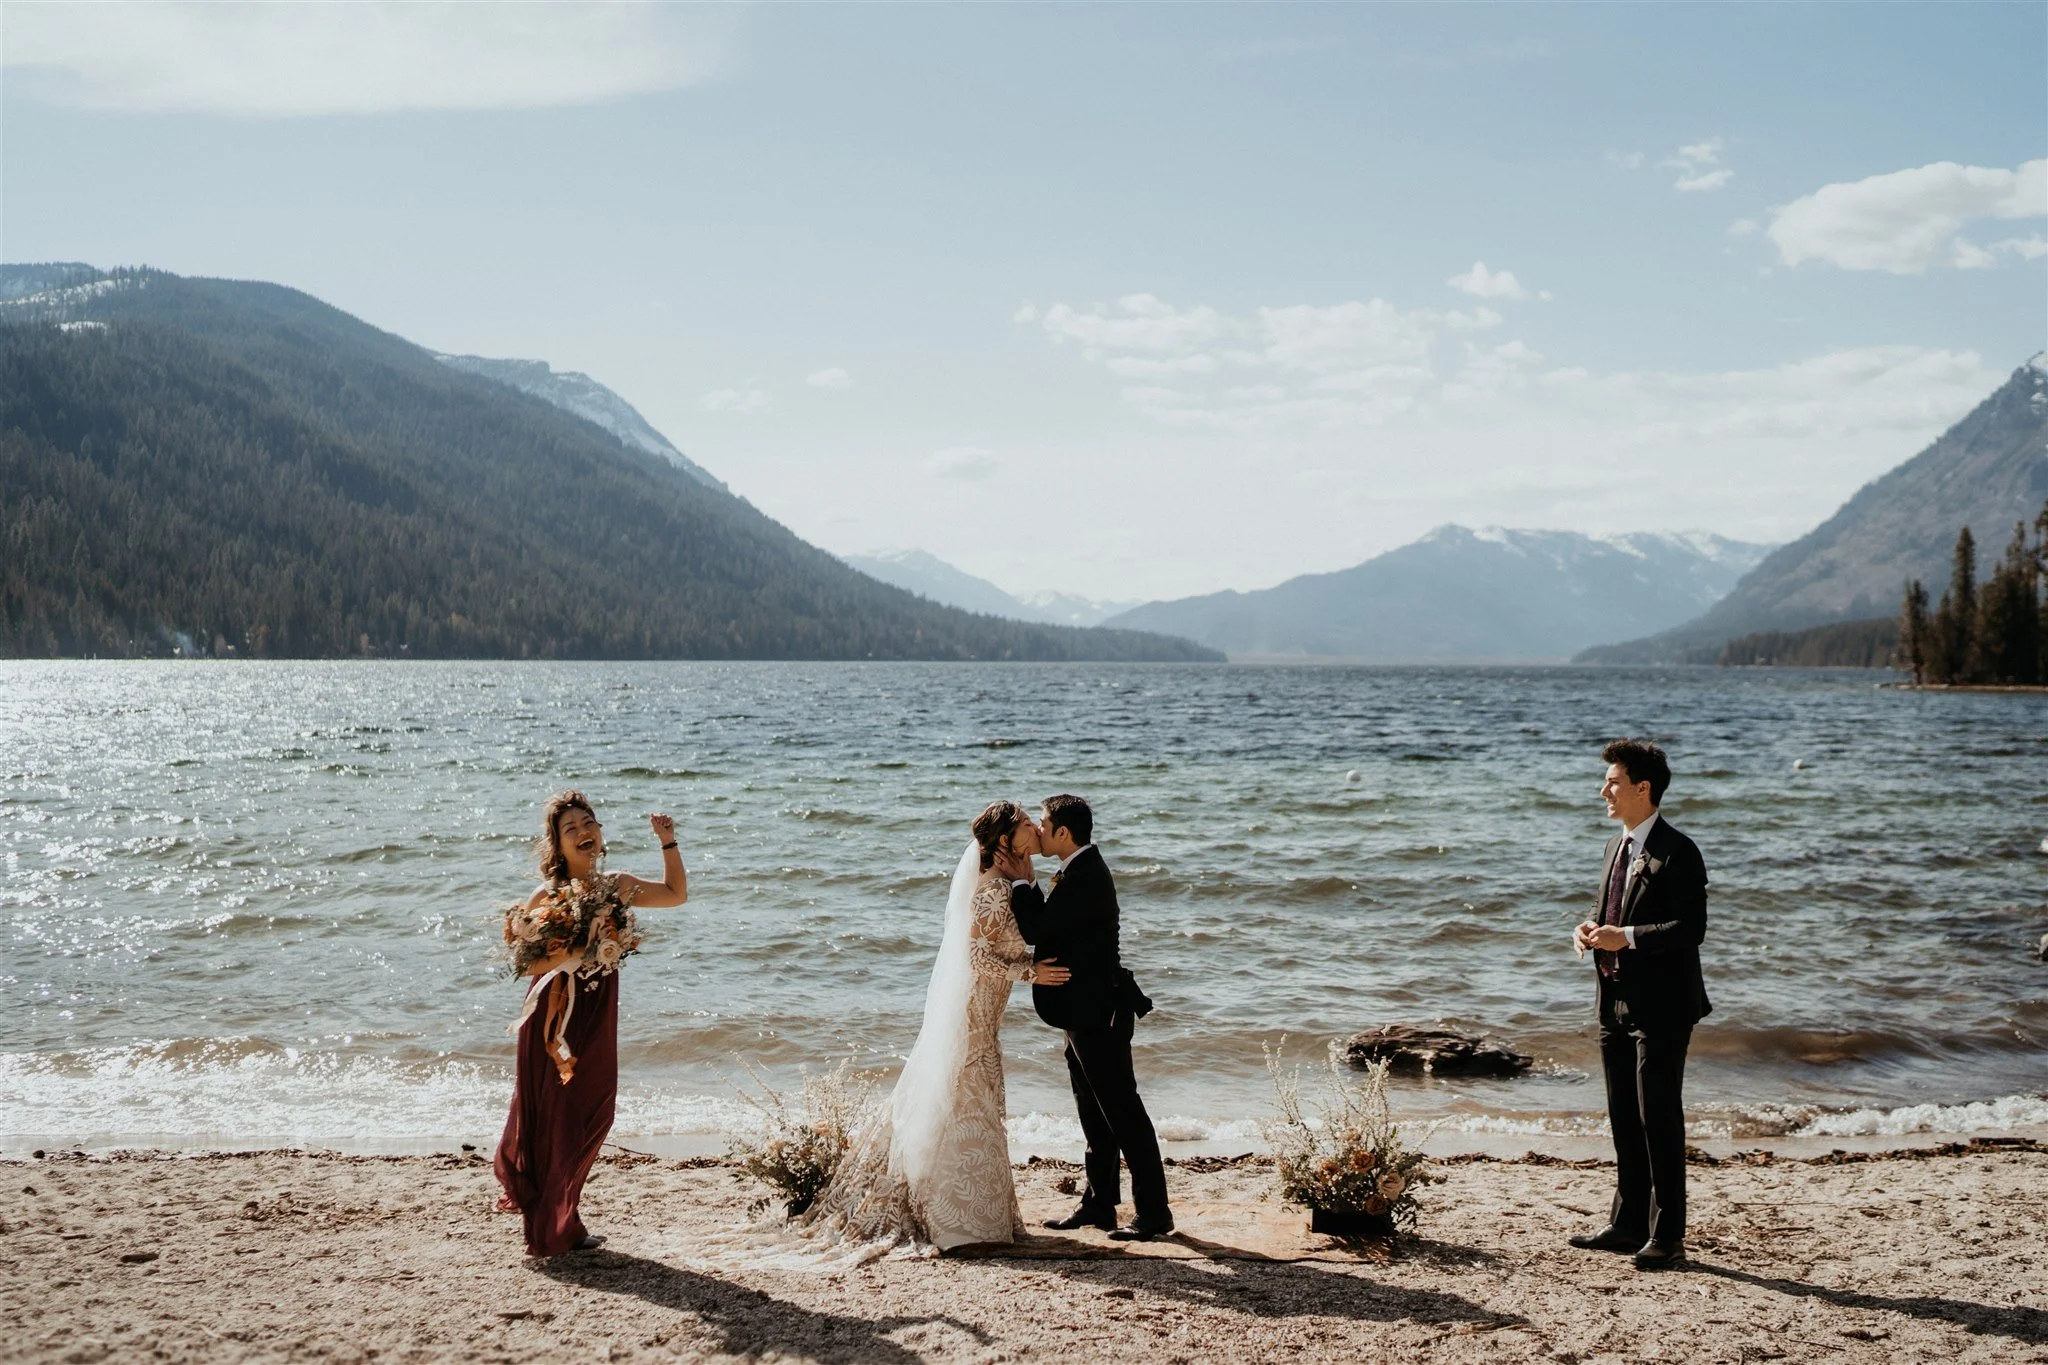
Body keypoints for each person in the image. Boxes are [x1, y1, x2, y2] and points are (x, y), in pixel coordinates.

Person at [792, 801, 1070, 1255]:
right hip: (974, 1008)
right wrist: (1030, 973)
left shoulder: (1012, 881)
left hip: (988, 1008)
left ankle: (977, 1212)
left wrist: (1026, 889)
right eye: (1024, 824)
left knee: (976, 1094)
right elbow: (976, 954)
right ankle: (955, 1217)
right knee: (968, 1094)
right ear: (1005, 840)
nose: (1034, 828)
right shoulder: (994, 890)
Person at [494, 790, 687, 1258]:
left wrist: (668, 842)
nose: (583, 832)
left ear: (600, 833)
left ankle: (563, 1215)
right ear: (556, 845)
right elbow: (530, 963)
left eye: (588, 823)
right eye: (570, 829)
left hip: (598, 1014)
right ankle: (555, 1228)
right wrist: (581, 948)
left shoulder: (618, 885)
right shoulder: (548, 896)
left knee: (594, 1114)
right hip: (555, 1018)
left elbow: (677, 895)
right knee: (559, 1119)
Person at [999, 794, 1172, 1241]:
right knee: (1092, 1111)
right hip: (1081, 1008)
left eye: (1042, 823)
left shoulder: (1087, 874)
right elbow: (1055, 927)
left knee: (1123, 1111)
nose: (1036, 830)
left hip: (1100, 1009)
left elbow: (1038, 929)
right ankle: (1099, 1205)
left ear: (1062, 832)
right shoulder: (1077, 868)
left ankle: (1154, 1214)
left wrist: (1021, 883)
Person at [1568, 740, 1711, 1271]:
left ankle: (1668, 1234)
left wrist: (1624, 936)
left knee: (1659, 1118)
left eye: (1612, 781)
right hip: (1613, 1002)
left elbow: (1690, 929)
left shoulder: (1679, 850)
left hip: (1665, 1005)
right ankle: (1628, 1224)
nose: (1603, 790)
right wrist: (1586, 930)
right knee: (1624, 1115)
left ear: (1642, 788)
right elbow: (1607, 909)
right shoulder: (1615, 846)